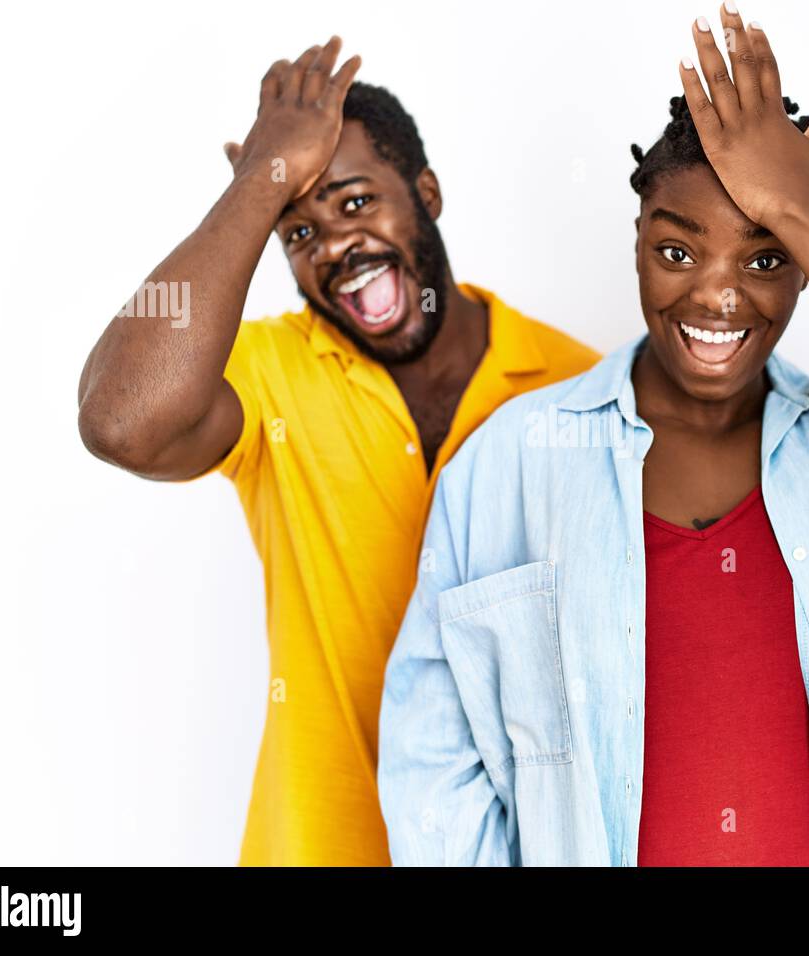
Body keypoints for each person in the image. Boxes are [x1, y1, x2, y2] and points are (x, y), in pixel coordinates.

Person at [377, 5, 809, 866]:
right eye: (678, 253)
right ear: (637, 243)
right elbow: (431, 778)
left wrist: (797, 205)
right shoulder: (507, 467)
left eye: (767, 256)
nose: (717, 297)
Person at [76, 37, 600, 865]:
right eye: (300, 232)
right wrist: (259, 185)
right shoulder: (274, 372)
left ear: (426, 192)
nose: (333, 247)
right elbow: (121, 421)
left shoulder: (575, 387)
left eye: (356, 204)